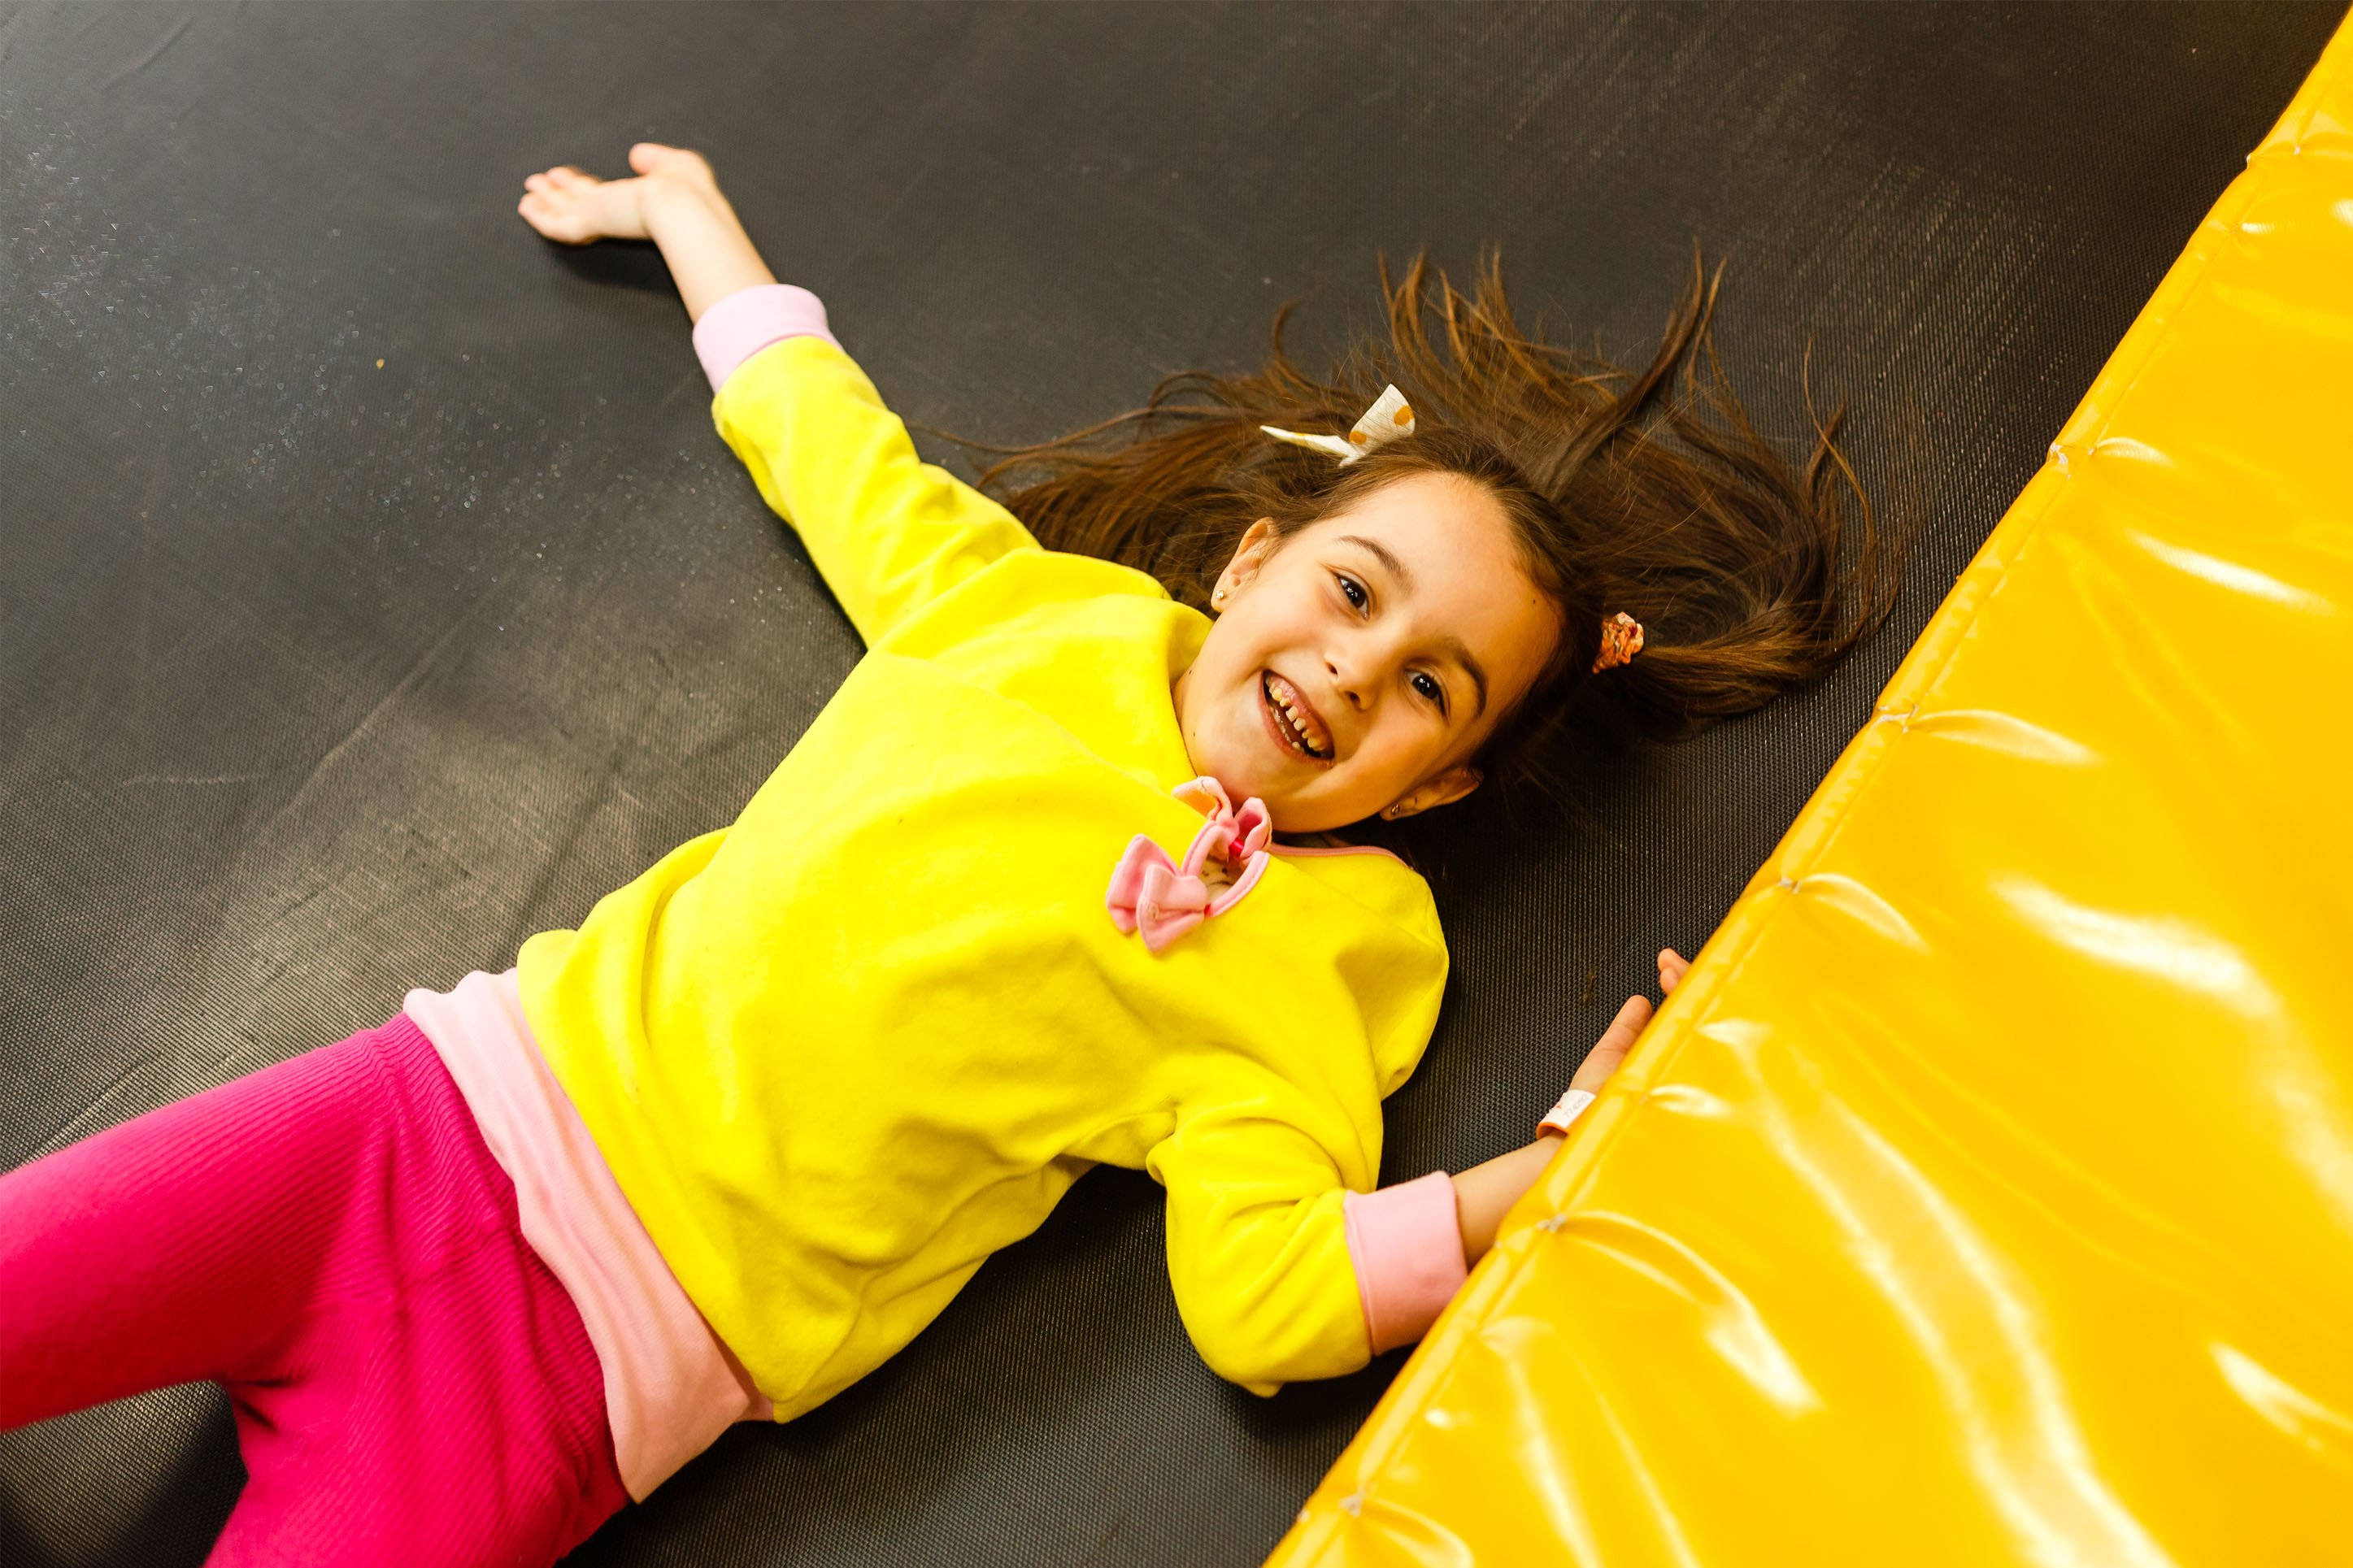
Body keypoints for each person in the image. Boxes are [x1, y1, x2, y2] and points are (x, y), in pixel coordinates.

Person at [0, 143, 1879, 1567]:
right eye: (1349, 590)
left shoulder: (1326, 963)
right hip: (411, 1123)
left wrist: (1545, 1169)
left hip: (573, 1380)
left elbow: (1274, 1302)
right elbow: (837, 452)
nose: (1345, 668)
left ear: (1433, 791)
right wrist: (693, 231)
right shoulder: (1027, 614)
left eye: (1425, 689)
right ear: (1245, 564)